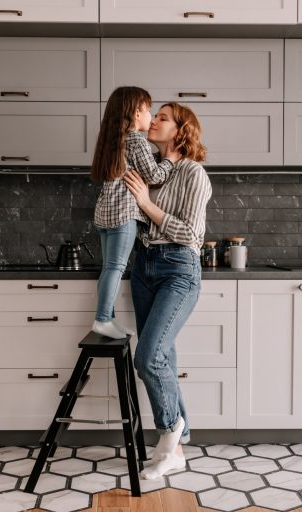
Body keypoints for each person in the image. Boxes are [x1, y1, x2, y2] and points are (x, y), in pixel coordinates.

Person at [121, 102, 212, 480]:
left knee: (148, 356)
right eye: (153, 115)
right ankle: (178, 442)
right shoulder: (156, 173)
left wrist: (144, 202)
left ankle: (169, 431)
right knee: (164, 359)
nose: (153, 121)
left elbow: (191, 234)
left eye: (162, 118)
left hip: (178, 268)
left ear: (180, 130)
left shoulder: (194, 173)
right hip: (143, 267)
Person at [91, 87, 180, 339]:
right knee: (116, 268)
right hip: (123, 214)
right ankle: (103, 319)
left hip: (105, 213)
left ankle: (107, 318)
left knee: (108, 268)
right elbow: (154, 175)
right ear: (136, 111)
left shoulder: (113, 140)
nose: (151, 116)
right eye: (148, 110)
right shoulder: (136, 139)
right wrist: (171, 159)